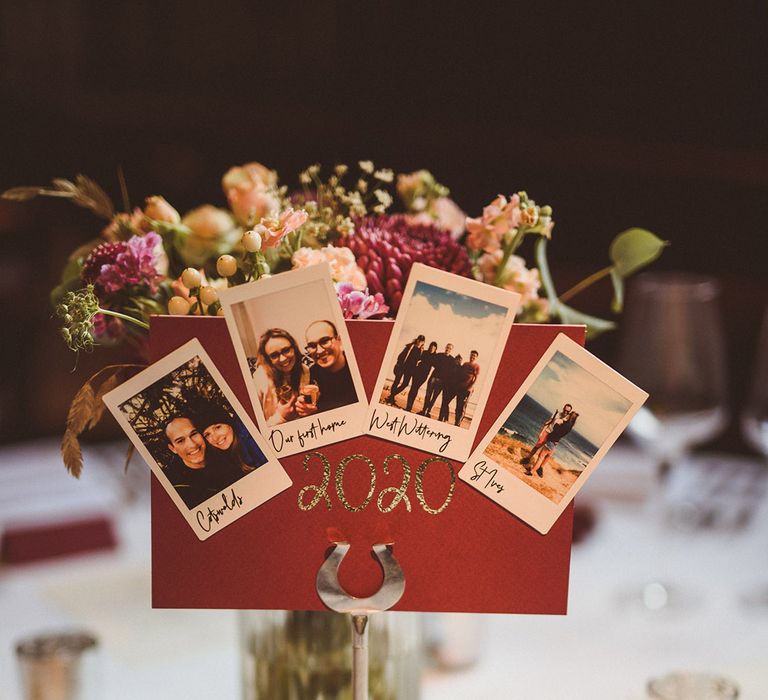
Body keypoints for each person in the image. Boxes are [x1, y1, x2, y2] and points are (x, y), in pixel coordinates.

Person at [162, 415, 242, 509]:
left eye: (193, 434)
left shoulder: (228, 455)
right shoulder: (179, 489)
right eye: (180, 441)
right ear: (172, 448)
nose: (192, 444)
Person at [253, 328, 317, 426]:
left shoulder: (305, 371)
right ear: (267, 359)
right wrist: (281, 418)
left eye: (286, 350)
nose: (283, 359)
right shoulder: (260, 378)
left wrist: (310, 407)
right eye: (274, 355)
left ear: (294, 348)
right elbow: (255, 427)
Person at [305, 320, 358, 412]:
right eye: (312, 346)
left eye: (325, 341)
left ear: (339, 340)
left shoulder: (357, 365)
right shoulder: (313, 373)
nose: (319, 351)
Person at [199, 405, 266, 474]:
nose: (215, 438)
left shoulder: (253, 443)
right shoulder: (218, 458)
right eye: (207, 434)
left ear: (229, 424)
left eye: (218, 427)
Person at [524, 409, 579, 478]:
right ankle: (537, 469)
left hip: (551, 441)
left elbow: (556, 428)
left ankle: (532, 472)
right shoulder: (569, 426)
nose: (567, 414)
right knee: (546, 456)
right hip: (555, 441)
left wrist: (559, 422)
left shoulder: (565, 424)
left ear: (570, 416)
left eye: (569, 414)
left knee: (540, 457)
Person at [520, 403, 574, 467]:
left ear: (569, 412)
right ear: (563, 408)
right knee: (537, 446)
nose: (566, 412)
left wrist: (557, 441)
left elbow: (562, 432)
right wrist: (542, 432)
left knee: (545, 454)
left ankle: (539, 467)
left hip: (553, 437)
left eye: (568, 411)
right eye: (565, 410)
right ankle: (528, 458)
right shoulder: (557, 414)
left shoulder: (567, 420)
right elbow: (548, 422)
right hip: (547, 432)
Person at [386, 335, 425, 406]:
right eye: (419, 340)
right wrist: (398, 365)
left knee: (405, 384)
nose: (420, 342)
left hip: (410, 370)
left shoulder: (421, 351)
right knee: (396, 382)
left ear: (423, 342)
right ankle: (391, 398)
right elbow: (400, 356)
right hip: (402, 367)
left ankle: (391, 396)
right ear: (417, 340)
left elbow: (419, 361)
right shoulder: (410, 346)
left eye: (421, 341)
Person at [420, 343, 454, 418]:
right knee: (428, 395)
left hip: (442, 381)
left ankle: (428, 412)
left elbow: (453, 371)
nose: (448, 349)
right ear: (445, 347)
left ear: (451, 350)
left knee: (434, 397)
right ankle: (423, 410)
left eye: (450, 348)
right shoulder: (439, 355)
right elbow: (431, 361)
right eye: (447, 347)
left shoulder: (452, 360)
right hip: (433, 378)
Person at [406, 341, 437, 412]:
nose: (432, 348)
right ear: (429, 347)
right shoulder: (424, 352)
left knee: (416, 388)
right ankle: (408, 407)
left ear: (435, 349)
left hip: (424, 375)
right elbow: (417, 358)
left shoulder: (435, 356)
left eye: (434, 347)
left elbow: (436, 365)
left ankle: (409, 407)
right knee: (413, 388)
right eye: (431, 347)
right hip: (417, 372)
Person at [454, 350, 480, 427]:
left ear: (476, 357)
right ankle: (455, 422)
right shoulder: (465, 364)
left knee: (463, 407)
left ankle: (458, 423)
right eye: (471, 355)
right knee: (458, 406)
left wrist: (470, 387)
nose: (472, 357)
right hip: (460, 388)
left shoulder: (477, 366)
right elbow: (459, 373)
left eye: (474, 356)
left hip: (468, 390)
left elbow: (475, 379)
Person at [438, 354, 463, 422]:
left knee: (445, 403)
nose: (458, 361)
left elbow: (460, 380)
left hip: (453, 390)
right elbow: (446, 376)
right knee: (444, 403)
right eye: (457, 359)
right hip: (446, 387)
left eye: (459, 360)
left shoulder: (461, 369)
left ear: (461, 361)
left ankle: (444, 418)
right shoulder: (451, 366)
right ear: (455, 359)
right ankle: (442, 418)